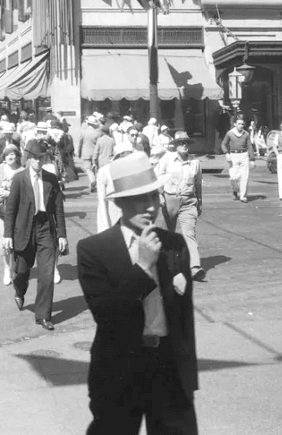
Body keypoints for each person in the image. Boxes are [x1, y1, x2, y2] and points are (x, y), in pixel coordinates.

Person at [77, 154, 199, 435]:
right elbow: (107, 316)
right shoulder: (94, 250)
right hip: (120, 369)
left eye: (153, 197)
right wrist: (143, 266)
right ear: (119, 203)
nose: (149, 207)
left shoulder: (174, 244)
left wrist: (188, 378)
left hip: (168, 369)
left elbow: (184, 320)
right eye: (137, 200)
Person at [2, 141, 67, 331]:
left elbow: (58, 209)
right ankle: (19, 290)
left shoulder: (50, 179)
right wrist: (8, 235)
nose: (39, 161)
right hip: (24, 229)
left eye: (42, 158)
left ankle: (43, 315)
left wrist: (62, 235)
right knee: (22, 270)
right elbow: (11, 209)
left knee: (46, 274)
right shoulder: (19, 179)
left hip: (45, 227)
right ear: (29, 158)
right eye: (36, 158)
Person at [155, 131, 204, 282]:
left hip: (188, 202)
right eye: (180, 143)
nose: (184, 145)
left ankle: (194, 267)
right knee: (167, 235)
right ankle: (165, 266)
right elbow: (157, 176)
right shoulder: (167, 159)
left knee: (189, 234)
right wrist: (160, 195)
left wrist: (200, 202)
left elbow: (198, 184)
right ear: (175, 145)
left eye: (186, 143)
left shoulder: (195, 163)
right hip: (169, 199)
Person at [0, 145, 25, 285]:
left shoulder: (22, 171)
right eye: (7, 154)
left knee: (15, 238)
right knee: (4, 238)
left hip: (17, 208)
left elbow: (27, 191)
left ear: (17, 156)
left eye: (13, 154)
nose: (10, 157)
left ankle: (13, 264)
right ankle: (6, 267)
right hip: (0, 207)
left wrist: (11, 194)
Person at [222, 115, 252, 203]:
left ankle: (243, 196)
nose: (241, 126)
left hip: (244, 155)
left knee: (244, 177)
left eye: (242, 124)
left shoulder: (246, 134)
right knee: (233, 177)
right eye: (239, 124)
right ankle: (235, 190)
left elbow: (249, 146)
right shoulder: (230, 133)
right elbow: (223, 144)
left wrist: (252, 159)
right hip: (233, 156)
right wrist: (226, 153)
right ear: (235, 124)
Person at [79, 114, 101, 194]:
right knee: (94, 169)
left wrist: (79, 152)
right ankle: (93, 184)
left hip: (86, 152)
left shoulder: (83, 132)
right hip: (95, 152)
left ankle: (92, 181)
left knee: (88, 169)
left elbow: (80, 143)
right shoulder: (98, 133)